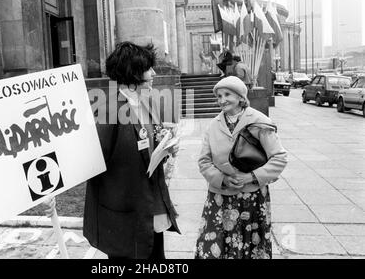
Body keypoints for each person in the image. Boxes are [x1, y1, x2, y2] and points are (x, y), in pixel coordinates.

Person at [46, 42, 180, 259]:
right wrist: (52, 192)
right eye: (148, 68)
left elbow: (149, 145)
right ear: (133, 72)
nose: (154, 73)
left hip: (151, 210)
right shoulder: (107, 111)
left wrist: (166, 146)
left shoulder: (148, 103)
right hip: (124, 220)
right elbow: (86, 161)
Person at [195, 76, 287, 259]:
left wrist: (251, 176)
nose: (222, 100)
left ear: (240, 96)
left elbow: (279, 157)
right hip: (219, 198)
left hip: (251, 199)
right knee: (212, 249)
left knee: (250, 248)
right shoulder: (213, 125)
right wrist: (222, 179)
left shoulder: (259, 120)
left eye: (227, 94)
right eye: (219, 96)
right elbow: (204, 161)